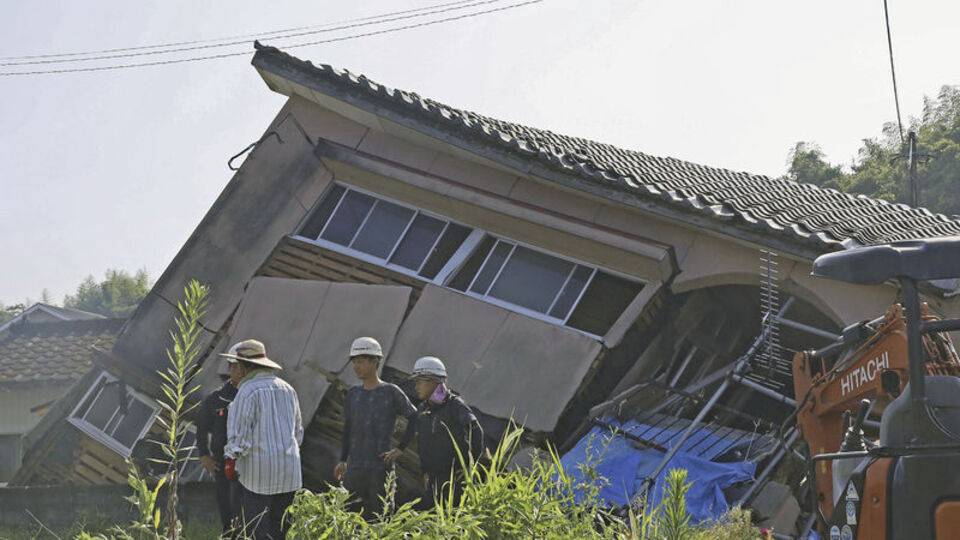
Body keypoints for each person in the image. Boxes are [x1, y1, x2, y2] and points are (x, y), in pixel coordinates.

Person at [222, 339, 303, 540]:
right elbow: (298, 432)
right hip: (289, 472)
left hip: (258, 475)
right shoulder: (288, 389)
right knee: (281, 530)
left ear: (244, 367)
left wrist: (230, 462)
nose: (230, 372)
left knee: (255, 529)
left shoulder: (247, 391)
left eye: (233, 366)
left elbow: (238, 438)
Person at [384, 356, 485, 509]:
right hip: (433, 478)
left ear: (433, 381)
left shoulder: (455, 406)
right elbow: (420, 438)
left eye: (419, 381)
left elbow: (475, 430)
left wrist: (471, 464)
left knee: (451, 517)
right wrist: (424, 470)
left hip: (455, 478)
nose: (416, 386)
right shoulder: (424, 409)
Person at [334, 337, 416, 518]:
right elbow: (348, 428)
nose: (356, 367)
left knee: (382, 518)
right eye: (354, 362)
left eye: (361, 362)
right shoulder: (354, 394)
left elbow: (415, 418)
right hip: (355, 467)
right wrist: (342, 460)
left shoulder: (391, 392)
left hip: (380, 469)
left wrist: (400, 449)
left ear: (375, 362)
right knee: (341, 516)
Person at [197, 345, 241, 538]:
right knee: (227, 513)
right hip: (222, 464)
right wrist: (204, 455)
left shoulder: (255, 395)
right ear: (230, 368)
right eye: (235, 366)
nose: (238, 371)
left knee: (248, 514)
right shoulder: (216, 398)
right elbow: (201, 429)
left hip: (249, 464)